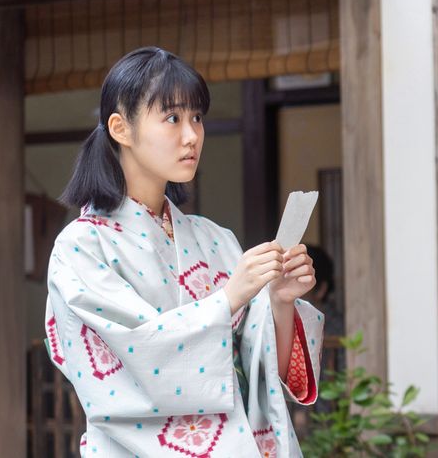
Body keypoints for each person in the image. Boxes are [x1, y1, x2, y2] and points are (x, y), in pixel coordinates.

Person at [45, 47, 323, 457]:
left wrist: (279, 301)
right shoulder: (82, 248)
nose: (192, 135)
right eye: (173, 118)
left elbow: (261, 369)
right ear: (121, 128)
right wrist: (227, 300)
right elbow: (136, 358)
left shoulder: (216, 240)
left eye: (197, 118)